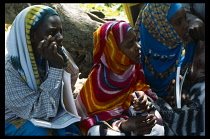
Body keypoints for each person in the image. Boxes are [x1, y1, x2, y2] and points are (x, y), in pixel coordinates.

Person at [75, 20, 164, 136]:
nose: (138, 46)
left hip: (131, 118)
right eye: (130, 44)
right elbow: (88, 121)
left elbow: (139, 90)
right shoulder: (98, 82)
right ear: (113, 51)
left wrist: (142, 99)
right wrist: (123, 125)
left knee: (154, 121)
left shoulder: (133, 66)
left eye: (136, 40)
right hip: (115, 126)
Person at [5, 5, 82, 136]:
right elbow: (42, 112)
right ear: (32, 35)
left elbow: (73, 76)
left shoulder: (53, 53)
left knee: (75, 129)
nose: (60, 37)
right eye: (52, 32)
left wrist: (58, 63)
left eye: (60, 31)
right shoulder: (11, 70)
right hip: (15, 120)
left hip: (46, 115)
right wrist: (55, 68)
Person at [134, 3, 196, 98]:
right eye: (178, 22)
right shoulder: (138, 53)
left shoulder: (187, 46)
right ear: (159, 27)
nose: (186, 25)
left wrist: (183, 88)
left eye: (185, 18)